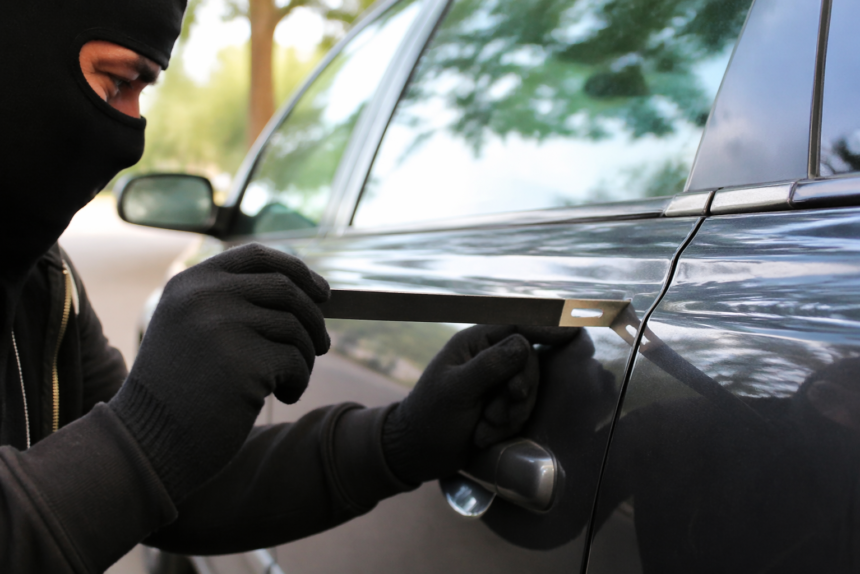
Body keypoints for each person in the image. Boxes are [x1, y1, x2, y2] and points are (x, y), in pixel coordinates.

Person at [0, 1, 575, 572]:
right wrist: (142, 435)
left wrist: (397, 440)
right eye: (116, 84)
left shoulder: (47, 283)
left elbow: (167, 494)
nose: (131, 137)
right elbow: (130, 462)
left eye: (143, 88)